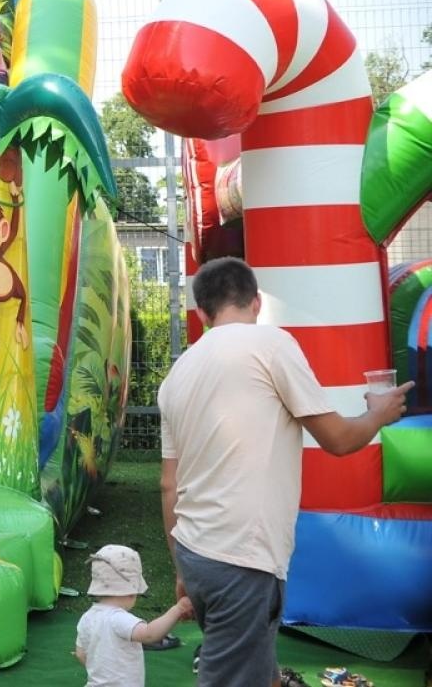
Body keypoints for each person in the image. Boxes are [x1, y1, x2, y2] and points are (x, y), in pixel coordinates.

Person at [159, 257, 412, 687]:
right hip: (242, 554)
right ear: (256, 303)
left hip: (195, 551)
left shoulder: (177, 374)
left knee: (253, 666)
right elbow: (338, 439)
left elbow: (168, 484)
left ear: (202, 313)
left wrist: (182, 571)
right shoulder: (273, 346)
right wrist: (378, 415)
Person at [74, 544, 194, 687]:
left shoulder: (87, 618)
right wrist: (178, 609)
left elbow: (81, 654)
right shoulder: (119, 619)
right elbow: (149, 634)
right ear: (132, 592)